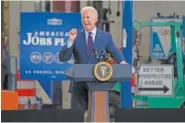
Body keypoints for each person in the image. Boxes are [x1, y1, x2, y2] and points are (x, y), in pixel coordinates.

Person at [59, 6, 127, 110]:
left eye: (88, 17)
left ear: (95, 19)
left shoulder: (105, 36)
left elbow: (114, 51)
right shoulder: (76, 36)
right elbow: (63, 58)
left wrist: (122, 62)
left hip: (99, 83)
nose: (85, 20)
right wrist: (70, 41)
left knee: (98, 113)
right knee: (76, 117)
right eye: (83, 18)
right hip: (78, 86)